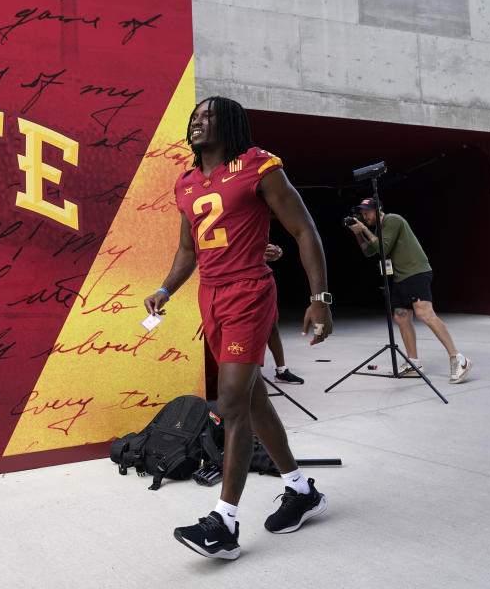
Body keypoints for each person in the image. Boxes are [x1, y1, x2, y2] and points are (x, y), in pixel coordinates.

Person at [144, 96, 333, 561]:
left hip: (249, 291)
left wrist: (319, 298)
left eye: (208, 116)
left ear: (229, 124)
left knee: (229, 401)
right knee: (252, 401)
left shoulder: (260, 166)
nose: (197, 122)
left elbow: (304, 229)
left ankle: (223, 523)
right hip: (211, 296)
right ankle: (300, 489)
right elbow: (188, 252)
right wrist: (166, 290)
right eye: (194, 117)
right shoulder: (185, 182)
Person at [346, 198, 471, 383]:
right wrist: (357, 233)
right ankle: (414, 363)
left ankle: (459, 359)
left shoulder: (392, 220)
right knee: (401, 316)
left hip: (416, 272)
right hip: (401, 277)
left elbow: (383, 247)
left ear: (378, 210)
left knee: (425, 314)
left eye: (367, 212)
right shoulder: (378, 231)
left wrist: (364, 230)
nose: (364, 216)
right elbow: (369, 251)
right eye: (362, 214)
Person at [264, 244, 303, 384]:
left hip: (261, 282)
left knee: (272, 328)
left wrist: (275, 252)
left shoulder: (253, 226)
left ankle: (281, 371)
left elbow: (263, 249)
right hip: (236, 283)